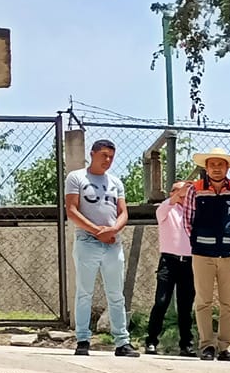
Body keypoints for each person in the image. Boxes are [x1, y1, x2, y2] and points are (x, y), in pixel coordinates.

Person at [64, 139, 137, 358]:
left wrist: (113, 230)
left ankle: (122, 341)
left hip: (113, 244)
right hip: (88, 241)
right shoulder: (77, 177)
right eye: (104, 155)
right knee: (84, 292)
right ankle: (83, 339)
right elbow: (72, 210)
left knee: (115, 294)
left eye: (111, 157)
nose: (108, 160)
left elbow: (123, 211)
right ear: (92, 154)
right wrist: (98, 231)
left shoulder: (115, 182)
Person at [189, 150, 230, 361]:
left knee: (228, 303)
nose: (216, 168)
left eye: (220, 164)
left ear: (227, 167)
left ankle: (225, 347)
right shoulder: (195, 190)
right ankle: (207, 346)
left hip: (229, 254)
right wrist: (198, 241)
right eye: (212, 164)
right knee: (203, 301)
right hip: (202, 253)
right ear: (206, 167)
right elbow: (189, 221)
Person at [144, 178, 196, 356]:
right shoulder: (165, 210)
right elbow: (168, 204)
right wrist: (180, 193)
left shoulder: (193, 212)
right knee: (161, 302)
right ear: (172, 193)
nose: (183, 195)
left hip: (189, 262)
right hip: (169, 261)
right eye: (178, 191)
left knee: (185, 305)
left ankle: (186, 344)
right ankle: (151, 341)